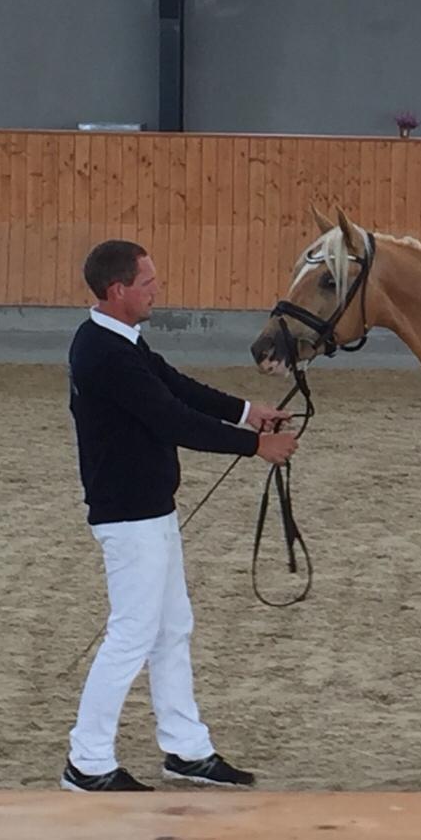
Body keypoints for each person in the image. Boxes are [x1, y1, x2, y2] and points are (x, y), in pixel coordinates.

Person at [61, 239, 298, 792]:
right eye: (147, 283)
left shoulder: (122, 341)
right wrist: (253, 447)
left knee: (171, 629)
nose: (156, 290)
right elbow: (171, 419)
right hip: (129, 515)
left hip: (150, 510)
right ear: (117, 290)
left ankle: (185, 748)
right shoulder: (104, 353)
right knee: (132, 634)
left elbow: (176, 387)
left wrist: (247, 412)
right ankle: (87, 760)